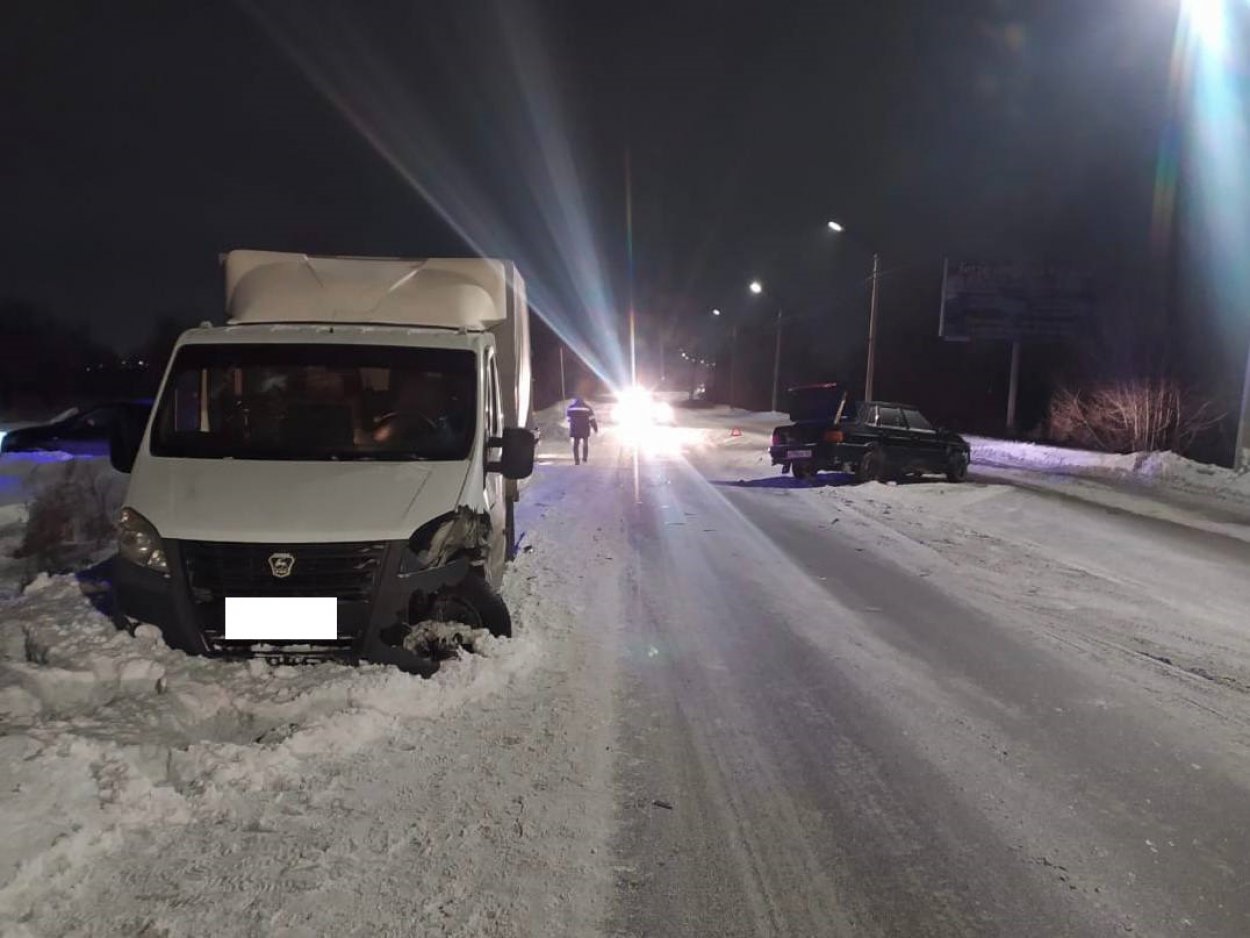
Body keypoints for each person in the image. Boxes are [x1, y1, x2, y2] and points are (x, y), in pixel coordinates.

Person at [566, 396, 598, 465]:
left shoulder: (571, 407)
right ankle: (584, 458)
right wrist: (595, 428)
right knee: (585, 443)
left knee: (575, 444)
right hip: (585, 428)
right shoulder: (587, 407)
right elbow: (592, 419)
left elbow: (568, 419)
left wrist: (574, 422)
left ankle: (577, 461)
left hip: (575, 428)